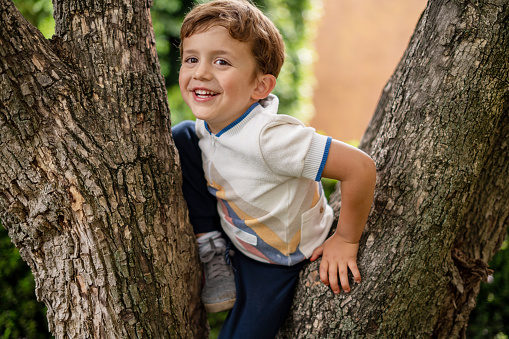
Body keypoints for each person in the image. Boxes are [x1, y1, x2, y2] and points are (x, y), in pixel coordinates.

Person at [171, 1, 376, 337]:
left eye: (221, 61)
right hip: (236, 236)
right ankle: (210, 243)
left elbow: (360, 168)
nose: (201, 72)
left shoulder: (273, 139)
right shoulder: (206, 126)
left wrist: (345, 239)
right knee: (180, 135)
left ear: (260, 87)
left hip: (280, 259)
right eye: (192, 59)